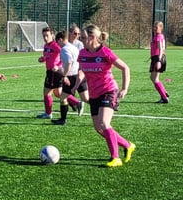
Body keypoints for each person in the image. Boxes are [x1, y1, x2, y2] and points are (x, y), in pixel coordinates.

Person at [78, 24, 136, 167]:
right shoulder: (82, 53)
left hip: (108, 91)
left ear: (92, 38)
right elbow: (82, 71)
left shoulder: (105, 53)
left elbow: (125, 68)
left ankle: (115, 158)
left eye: (83, 37)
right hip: (94, 94)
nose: (81, 40)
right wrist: (75, 85)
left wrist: (124, 88)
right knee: (98, 128)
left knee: (104, 123)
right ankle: (127, 145)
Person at [51, 30, 87, 125]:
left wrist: (65, 75)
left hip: (71, 76)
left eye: (57, 42)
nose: (57, 44)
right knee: (86, 98)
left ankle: (63, 120)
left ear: (60, 40)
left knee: (63, 98)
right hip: (79, 75)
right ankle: (102, 107)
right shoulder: (73, 47)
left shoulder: (64, 49)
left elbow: (69, 63)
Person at [36, 26, 63, 119]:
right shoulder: (46, 46)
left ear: (52, 35)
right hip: (50, 72)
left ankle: (48, 113)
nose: (45, 38)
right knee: (58, 93)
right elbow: (46, 57)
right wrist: (42, 59)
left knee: (47, 93)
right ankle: (76, 103)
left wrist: (58, 65)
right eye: (44, 36)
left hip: (54, 72)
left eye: (47, 35)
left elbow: (64, 55)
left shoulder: (55, 45)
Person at [150, 21, 169, 103]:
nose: (154, 28)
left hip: (158, 58)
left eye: (156, 27)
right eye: (154, 27)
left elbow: (161, 49)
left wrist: (158, 60)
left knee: (155, 78)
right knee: (152, 77)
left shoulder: (158, 36)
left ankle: (164, 97)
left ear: (161, 28)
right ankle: (164, 92)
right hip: (156, 58)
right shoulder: (158, 36)